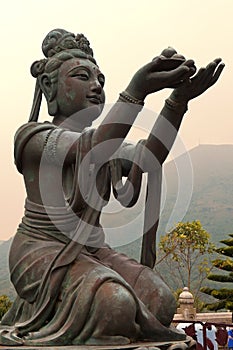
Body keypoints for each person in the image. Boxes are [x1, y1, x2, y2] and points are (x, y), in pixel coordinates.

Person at [0, 29, 224, 346]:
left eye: (101, 81)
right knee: (115, 304)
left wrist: (177, 102)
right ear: (49, 87)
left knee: (160, 299)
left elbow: (148, 157)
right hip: (42, 253)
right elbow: (92, 147)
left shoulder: (108, 141)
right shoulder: (34, 138)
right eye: (82, 77)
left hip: (92, 251)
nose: (96, 87)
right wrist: (136, 91)